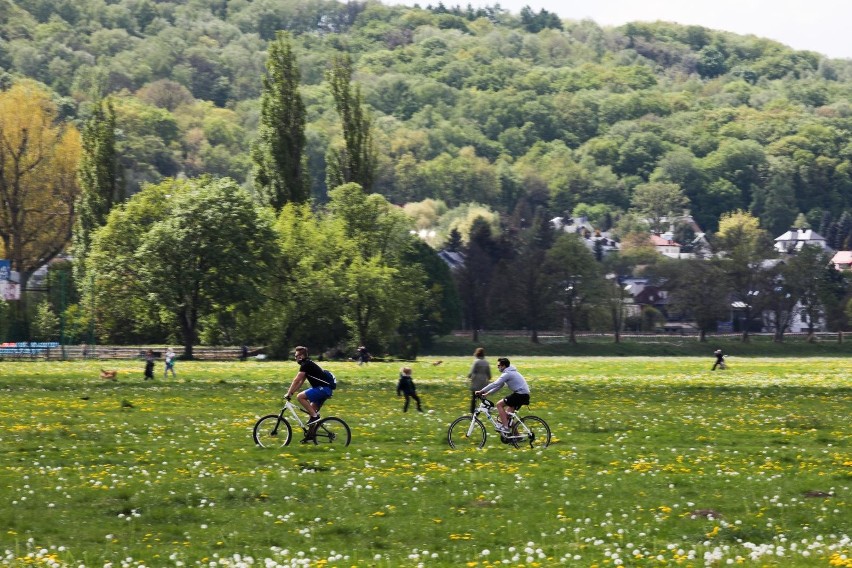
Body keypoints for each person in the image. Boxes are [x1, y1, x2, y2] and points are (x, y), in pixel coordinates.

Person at [284, 346, 335, 436]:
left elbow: (296, 380)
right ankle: (310, 435)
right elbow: (300, 383)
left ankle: (315, 417)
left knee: (300, 397)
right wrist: (291, 393)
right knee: (312, 411)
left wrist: (288, 393)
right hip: (324, 389)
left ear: (301, 356)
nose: (295, 358)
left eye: (296, 356)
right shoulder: (307, 364)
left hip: (323, 389)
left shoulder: (306, 365)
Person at [475, 357, 530, 434]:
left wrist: (481, 391)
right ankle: (518, 437)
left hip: (520, 395)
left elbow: (495, 384)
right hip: (523, 395)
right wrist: (487, 394)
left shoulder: (507, 374)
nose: (498, 367)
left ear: (503, 366)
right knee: (506, 416)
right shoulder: (510, 372)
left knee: (499, 405)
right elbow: (499, 386)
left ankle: (505, 428)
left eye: (499, 365)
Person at [467, 347, 491, 413]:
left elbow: (472, 372)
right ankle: (487, 408)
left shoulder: (476, 362)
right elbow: (489, 374)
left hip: (476, 381)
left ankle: (473, 411)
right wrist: (488, 378)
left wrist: (469, 376)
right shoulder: (486, 362)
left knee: (474, 397)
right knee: (483, 396)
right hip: (484, 381)